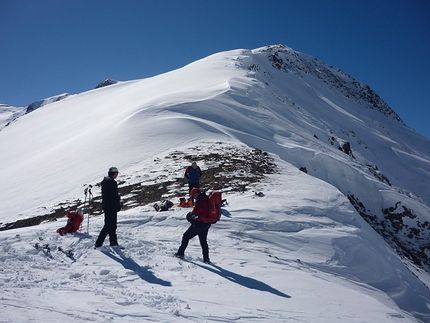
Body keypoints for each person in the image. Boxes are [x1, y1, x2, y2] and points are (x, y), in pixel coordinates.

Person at [175, 187, 212, 263]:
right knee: (203, 241)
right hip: (206, 223)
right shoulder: (205, 198)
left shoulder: (201, 200)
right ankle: (206, 259)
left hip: (199, 223)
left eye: (193, 195)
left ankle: (180, 253)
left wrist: (190, 215)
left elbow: (196, 212)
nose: (193, 197)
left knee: (186, 236)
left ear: (196, 193)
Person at [95, 167, 122, 248]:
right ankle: (99, 244)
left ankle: (113, 243)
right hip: (111, 206)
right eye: (117, 173)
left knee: (112, 225)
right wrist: (118, 205)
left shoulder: (105, 181)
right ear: (114, 173)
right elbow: (115, 196)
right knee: (109, 225)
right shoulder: (112, 182)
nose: (117, 175)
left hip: (107, 206)